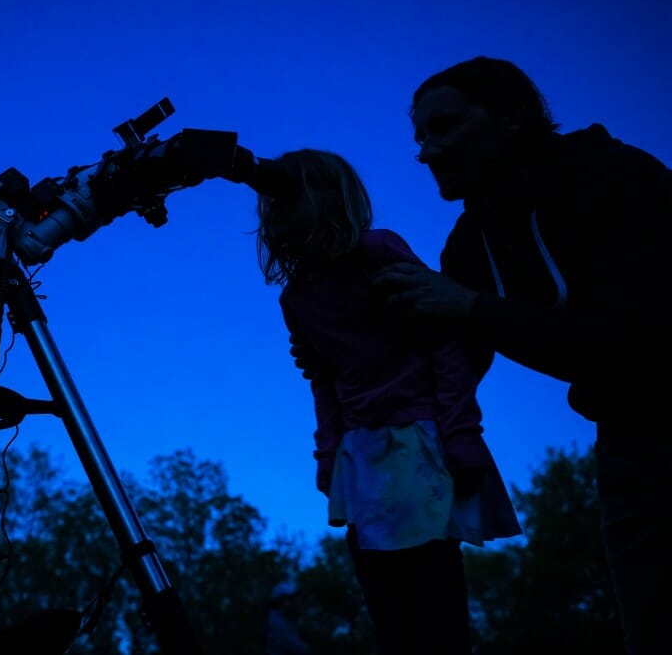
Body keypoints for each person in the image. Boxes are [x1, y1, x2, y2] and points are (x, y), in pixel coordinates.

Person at [369, 56, 672, 655]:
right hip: (628, 444)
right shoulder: (469, 241)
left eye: (445, 126)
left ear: (513, 117)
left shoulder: (617, 177)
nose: (426, 150)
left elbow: (639, 339)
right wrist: (349, 352)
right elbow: (449, 361)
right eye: (420, 136)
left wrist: (471, 309)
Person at [254, 148, 521, 654]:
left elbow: (442, 341)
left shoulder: (378, 252)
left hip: (419, 440)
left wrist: (461, 432)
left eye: (290, 195)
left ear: (331, 197)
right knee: (382, 593)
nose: (276, 209)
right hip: (360, 453)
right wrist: (328, 453)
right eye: (270, 201)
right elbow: (324, 381)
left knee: (431, 592)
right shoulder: (295, 300)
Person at [265, 580, 308, 655]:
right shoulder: (277, 623)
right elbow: (300, 649)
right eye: (290, 598)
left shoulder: (283, 618)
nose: (295, 601)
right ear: (280, 601)